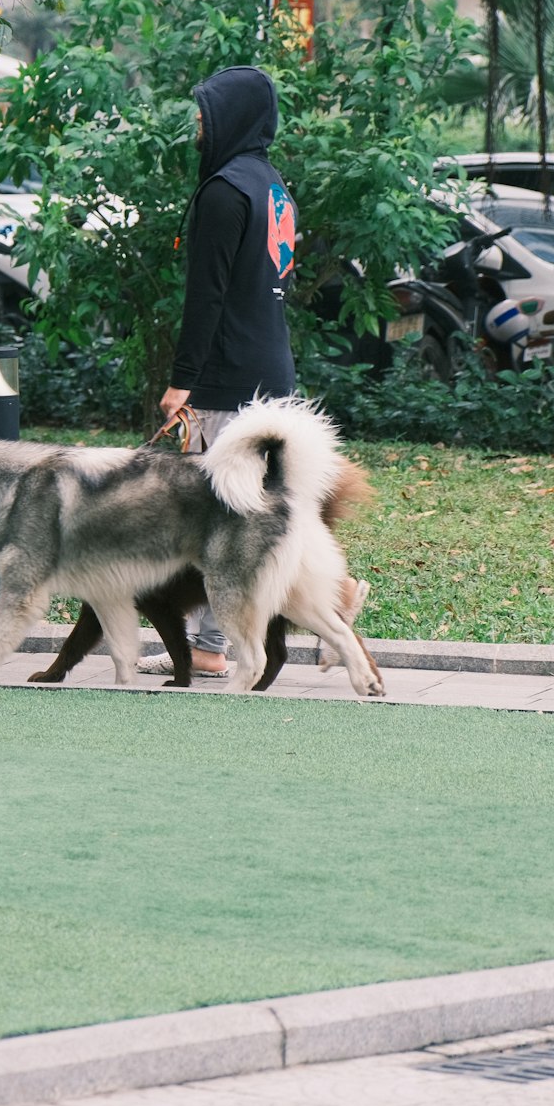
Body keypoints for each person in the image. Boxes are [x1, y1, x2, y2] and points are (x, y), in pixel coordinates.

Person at [142, 64, 364, 677]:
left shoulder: (222, 192)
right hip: (271, 367)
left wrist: (183, 377)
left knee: (223, 515)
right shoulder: (272, 188)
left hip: (228, 374)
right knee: (267, 510)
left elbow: (206, 296)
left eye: (204, 112)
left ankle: (212, 647)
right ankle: (333, 596)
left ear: (230, 117)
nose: (196, 124)